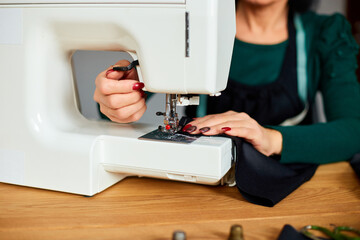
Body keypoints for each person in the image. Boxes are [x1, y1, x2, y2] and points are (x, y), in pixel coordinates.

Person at [94, 0, 360, 165]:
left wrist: (269, 138)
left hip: (293, 188)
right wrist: (116, 100)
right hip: (197, 186)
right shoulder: (190, 28)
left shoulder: (325, 34)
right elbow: (115, 108)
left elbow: (353, 131)